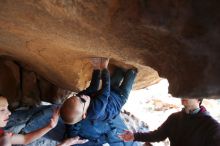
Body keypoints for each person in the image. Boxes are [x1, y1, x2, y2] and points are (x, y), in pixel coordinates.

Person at [60, 57, 138, 144]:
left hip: (109, 95)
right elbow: (106, 88)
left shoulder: (81, 100)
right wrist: (104, 68)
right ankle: (133, 73)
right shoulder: (96, 110)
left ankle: (120, 71)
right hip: (118, 100)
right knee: (128, 79)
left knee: (117, 74)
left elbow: (93, 87)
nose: (83, 96)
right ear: (84, 115)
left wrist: (96, 68)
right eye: (82, 100)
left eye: (76, 96)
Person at [119, 98, 220, 146]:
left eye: (188, 92)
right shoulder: (175, 118)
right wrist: (134, 136)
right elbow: (158, 135)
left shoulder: (212, 126)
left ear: (199, 98)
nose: (183, 94)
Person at [0, 95, 87, 146]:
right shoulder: (4, 138)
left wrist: (50, 126)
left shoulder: (2, 133)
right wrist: (65, 144)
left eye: (7, 108)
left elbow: (25, 139)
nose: (9, 113)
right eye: (2, 110)